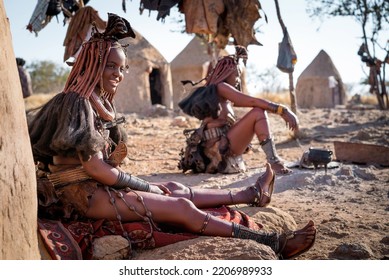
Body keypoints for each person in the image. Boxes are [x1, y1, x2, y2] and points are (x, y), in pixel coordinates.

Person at [28, 13, 316, 259]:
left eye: (122, 68)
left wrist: (150, 187)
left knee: (173, 187)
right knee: (179, 205)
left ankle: (249, 193)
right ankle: (275, 243)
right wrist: (144, 186)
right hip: (81, 195)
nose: (118, 74)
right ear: (91, 64)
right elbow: (94, 168)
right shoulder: (76, 102)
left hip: (97, 186)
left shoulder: (94, 101)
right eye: (110, 66)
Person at [179, 46, 299, 175]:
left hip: (221, 146)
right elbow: (253, 102)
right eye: (236, 75)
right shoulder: (221, 87)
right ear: (226, 73)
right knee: (258, 113)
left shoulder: (222, 97)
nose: (237, 80)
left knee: (257, 113)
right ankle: (274, 161)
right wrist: (283, 110)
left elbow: (250, 103)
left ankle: (273, 160)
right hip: (217, 150)